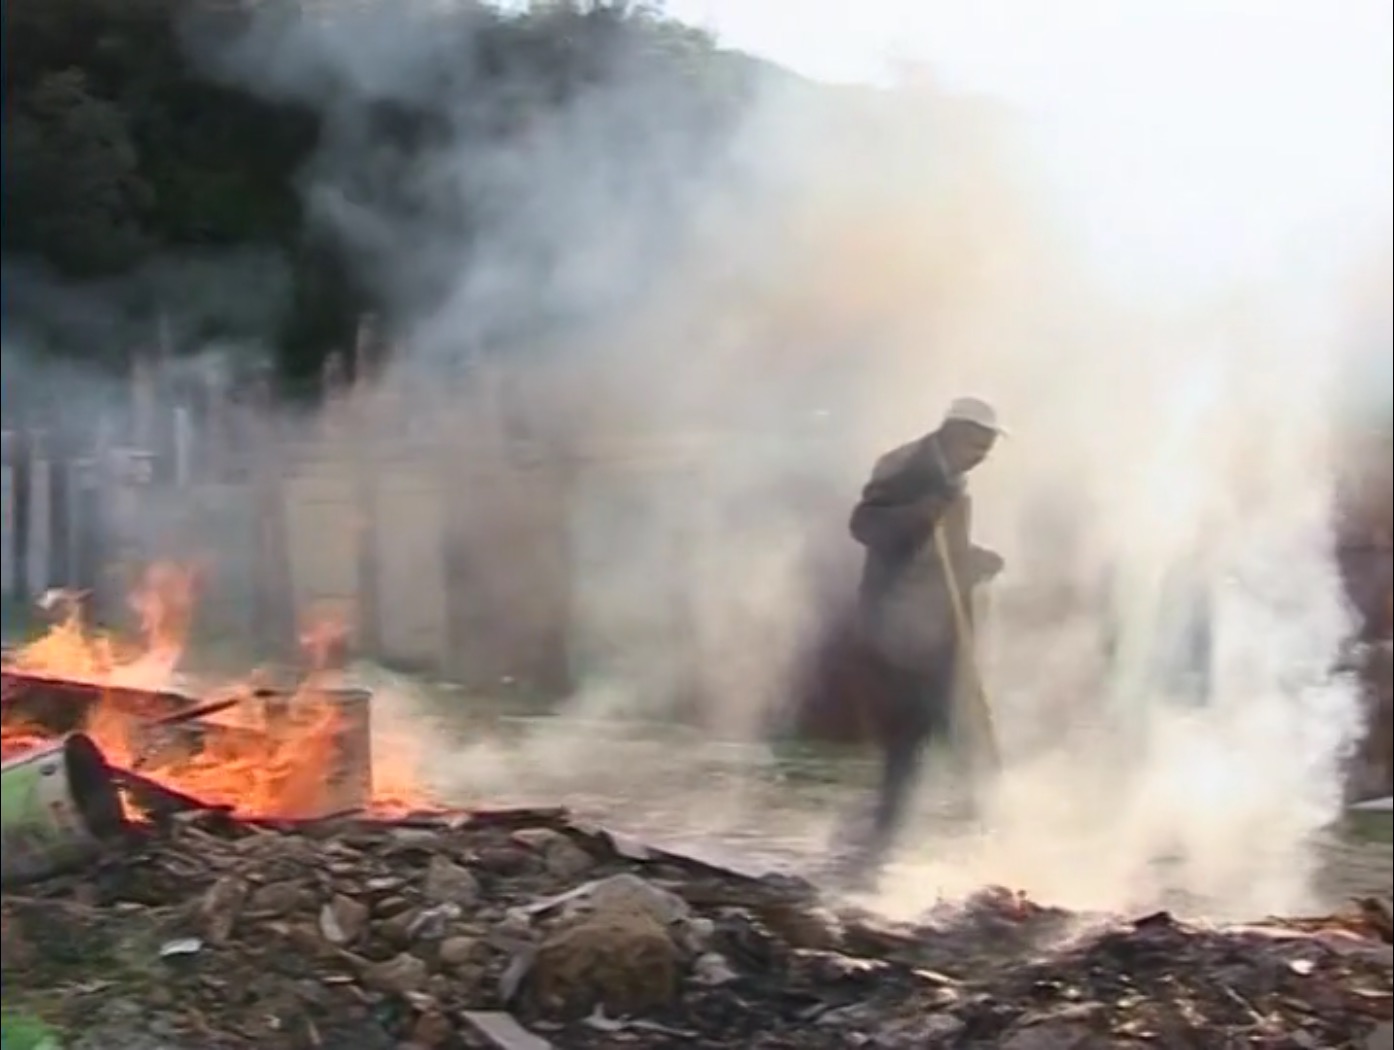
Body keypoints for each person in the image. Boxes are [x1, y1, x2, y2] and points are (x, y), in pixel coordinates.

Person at [834, 396, 1006, 881]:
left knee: (944, 727)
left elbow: (939, 555)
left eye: (988, 448)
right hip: (896, 628)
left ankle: (898, 833)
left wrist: (974, 561)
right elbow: (864, 524)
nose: (982, 456)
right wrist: (919, 513)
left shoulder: (951, 477)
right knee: (911, 734)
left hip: (937, 627)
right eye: (978, 444)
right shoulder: (906, 466)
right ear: (953, 432)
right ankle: (880, 839)